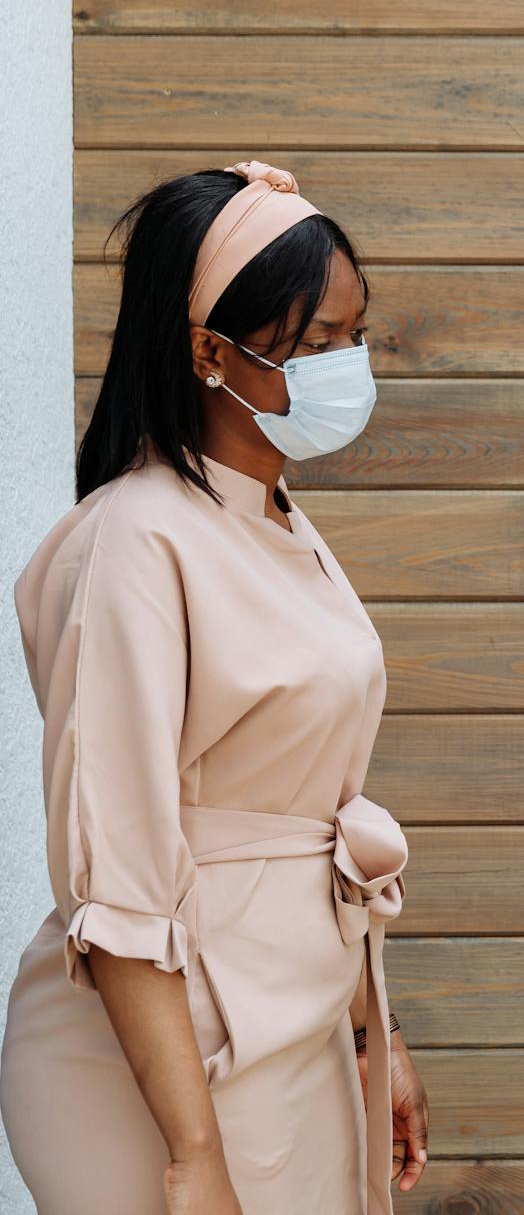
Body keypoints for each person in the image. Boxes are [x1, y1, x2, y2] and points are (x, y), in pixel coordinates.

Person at [1, 162, 428, 1214]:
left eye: (353, 334)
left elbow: (317, 827)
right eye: (315, 339)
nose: (346, 365)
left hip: (299, 1028)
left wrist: (377, 1040)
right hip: (172, 1064)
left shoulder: (274, 520)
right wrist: (193, 1154)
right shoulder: (136, 540)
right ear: (207, 351)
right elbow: (123, 882)